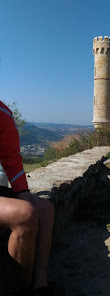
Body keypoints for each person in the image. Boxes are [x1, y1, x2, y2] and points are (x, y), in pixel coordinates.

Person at [0, 101, 55, 296]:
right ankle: (19, 289)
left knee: (44, 209)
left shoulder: (2, 112)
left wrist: (24, 195)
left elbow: (11, 160)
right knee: (23, 215)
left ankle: (39, 285)